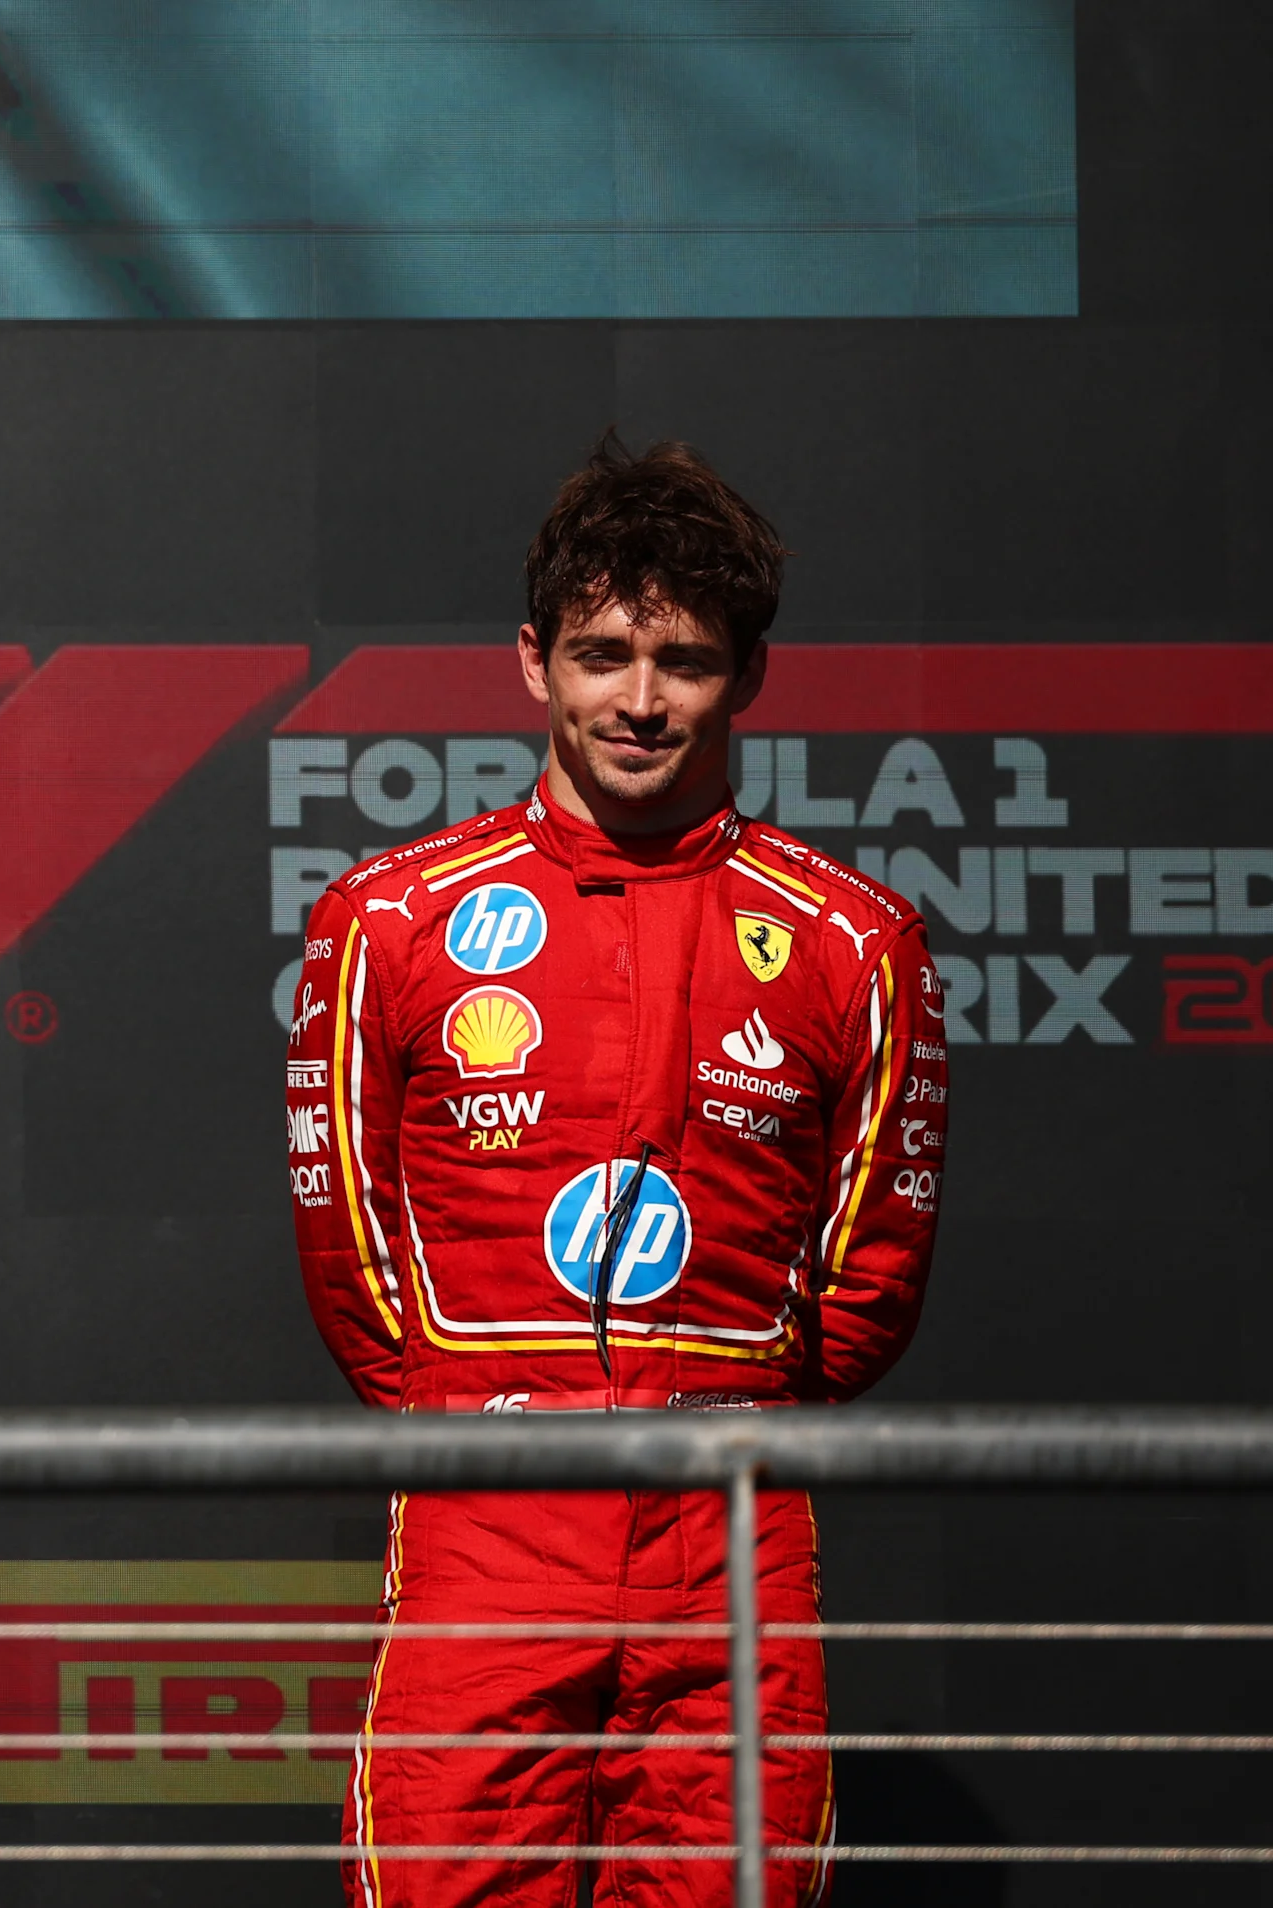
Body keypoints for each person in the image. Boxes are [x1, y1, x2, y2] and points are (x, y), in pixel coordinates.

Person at [286, 438, 945, 1906]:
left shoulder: (855, 940)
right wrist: (478, 1416)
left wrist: (728, 1400)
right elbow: (352, 1250)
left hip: (733, 1530)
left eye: (686, 662)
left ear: (748, 678)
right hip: (486, 1520)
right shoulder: (391, 918)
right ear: (532, 662)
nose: (639, 701)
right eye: (600, 654)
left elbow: (872, 1265)